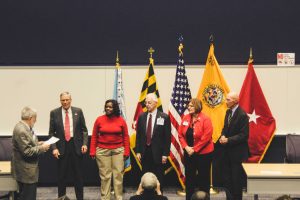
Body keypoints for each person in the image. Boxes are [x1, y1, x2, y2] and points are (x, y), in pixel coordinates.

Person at [49, 92, 88, 200]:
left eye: (67, 100)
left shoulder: (78, 111)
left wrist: (85, 144)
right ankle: (61, 198)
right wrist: (54, 148)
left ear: (71, 100)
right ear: (60, 100)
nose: (65, 102)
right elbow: (51, 133)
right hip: (61, 147)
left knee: (78, 177)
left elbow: (84, 130)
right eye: (63, 100)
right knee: (61, 177)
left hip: (76, 146)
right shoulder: (54, 112)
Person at [89, 99, 130, 200]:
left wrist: (127, 151)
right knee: (105, 177)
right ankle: (105, 198)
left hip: (118, 151)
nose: (108, 108)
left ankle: (118, 197)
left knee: (118, 176)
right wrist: (92, 151)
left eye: (110, 107)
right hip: (102, 151)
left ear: (115, 108)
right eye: (106, 106)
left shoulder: (121, 120)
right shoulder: (99, 120)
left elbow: (126, 136)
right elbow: (94, 136)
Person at [178, 98, 214, 200]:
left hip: (204, 154)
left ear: (197, 106)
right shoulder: (185, 118)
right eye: (188, 106)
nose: (188, 107)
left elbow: (206, 137)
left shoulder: (206, 119)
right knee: (189, 179)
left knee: (203, 179)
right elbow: (180, 135)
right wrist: (186, 147)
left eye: (191, 106)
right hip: (189, 153)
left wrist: (194, 149)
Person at [11, 106, 50, 200]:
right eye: (35, 118)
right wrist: (42, 148)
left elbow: (28, 144)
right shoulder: (22, 130)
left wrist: (37, 143)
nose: (35, 121)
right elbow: (27, 152)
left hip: (25, 170)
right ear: (31, 118)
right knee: (28, 197)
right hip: (26, 172)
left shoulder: (23, 126)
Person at [135, 93, 171, 190]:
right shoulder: (141, 116)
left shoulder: (164, 117)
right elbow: (138, 135)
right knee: (145, 177)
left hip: (158, 154)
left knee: (158, 177)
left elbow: (167, 138)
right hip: (144, 152)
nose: (147, 105)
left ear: (156, 103)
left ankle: (158, 195)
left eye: (149, 103)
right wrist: (138, 151)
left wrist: (165, 154)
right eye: (146, 102)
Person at [219, 92, 249, 200]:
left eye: (228, 100)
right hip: (227, 152)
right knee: (227, 180)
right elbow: (225, 128)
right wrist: (222, 136)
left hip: (237, 154)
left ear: (235, 101)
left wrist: (228, 140)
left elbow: (244, 135)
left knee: (236, 181)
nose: (225, 102)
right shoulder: (228, 112)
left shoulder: (242, 115)